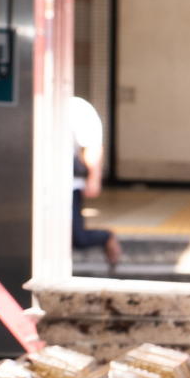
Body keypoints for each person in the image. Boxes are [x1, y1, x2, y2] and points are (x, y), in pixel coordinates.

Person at [69, 95, 122, 268]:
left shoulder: (77, 107)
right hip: (38, 187)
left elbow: (91, 146)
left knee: (78, 238)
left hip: (70, 186)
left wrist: (93, 177)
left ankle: (107, 237)